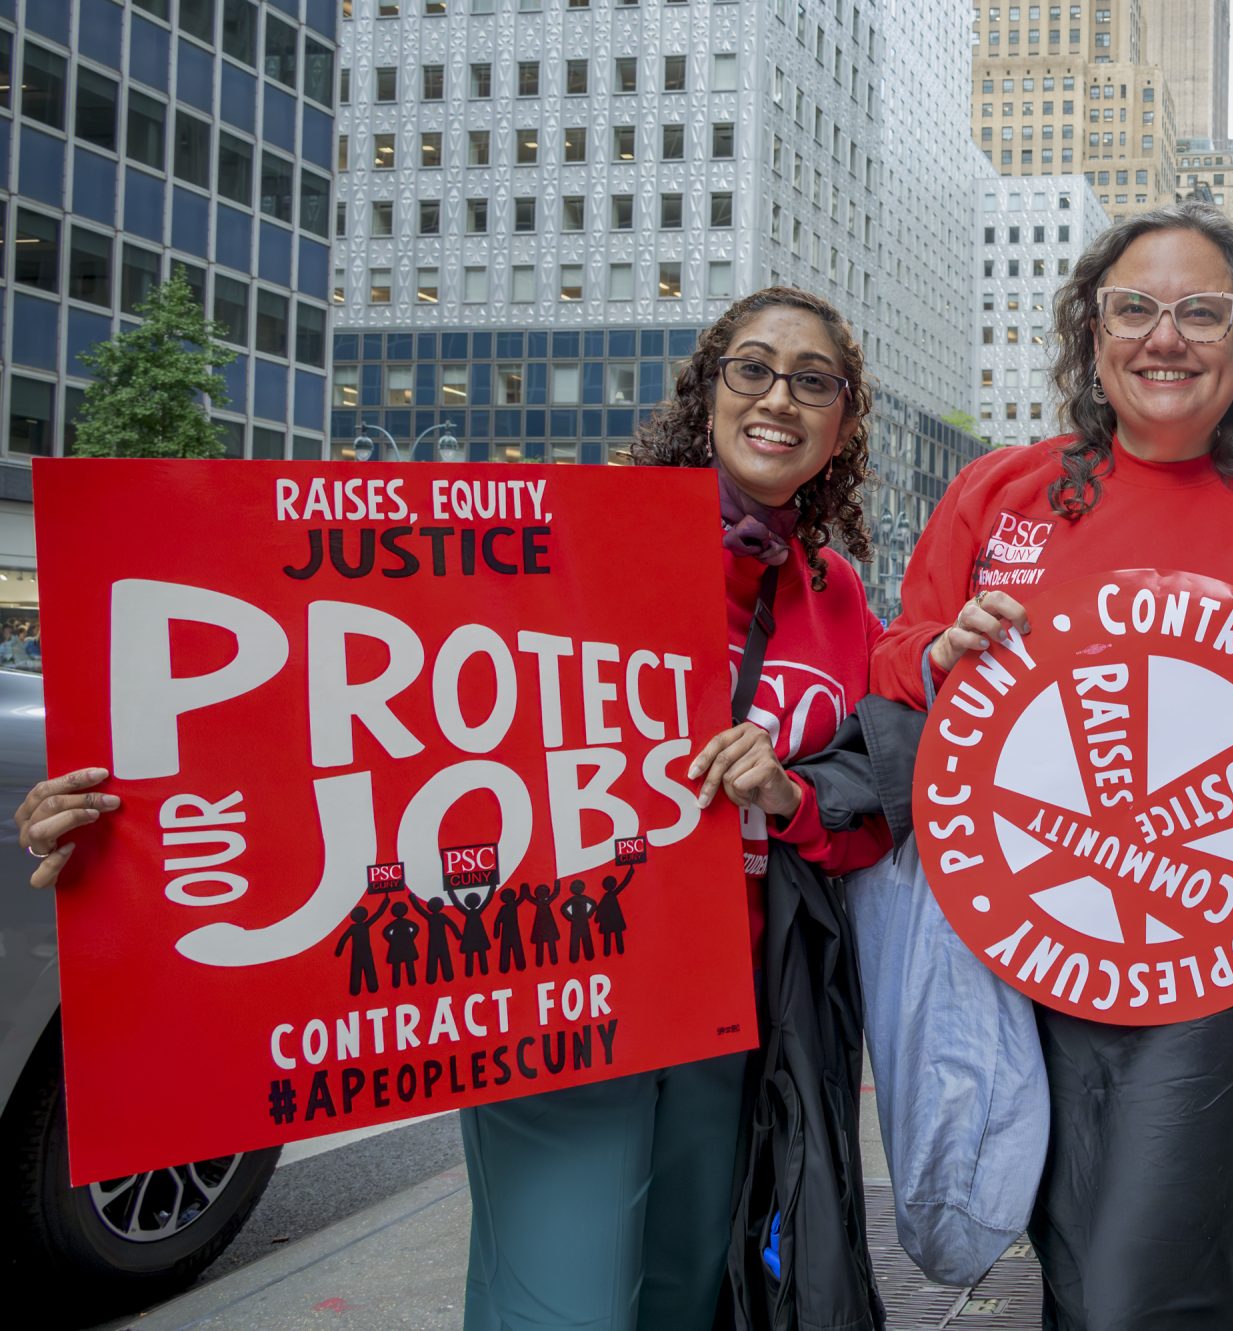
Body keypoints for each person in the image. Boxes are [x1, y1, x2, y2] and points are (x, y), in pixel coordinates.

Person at [16, 284, 894, 1331]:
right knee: (561, 1309)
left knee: (683, 1296)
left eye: (813, 379)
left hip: (735, 1008)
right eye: (751, 368)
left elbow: (861, 805)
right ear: (707, 394)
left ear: (843, 420)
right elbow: (335, 701)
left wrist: (787, 792)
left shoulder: (835, 592)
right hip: (566, 979)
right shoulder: (563, 539)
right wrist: (120, 807)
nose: (778, 398)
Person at [872, 201, 1233, 1330]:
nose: (1166, 336)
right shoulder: (1000, 490)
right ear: (1091, 337)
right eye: (1133, 309)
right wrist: (945, 651)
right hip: (1035, 952)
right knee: (1121, 1255)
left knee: (1132, 1285)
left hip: (1222, 958)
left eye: (1202, 311)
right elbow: (897, 663)